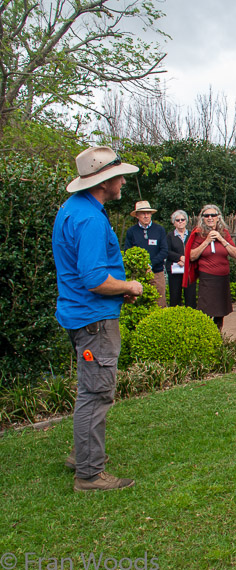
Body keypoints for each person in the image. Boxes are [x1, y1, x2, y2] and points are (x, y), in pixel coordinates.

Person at [53, 145, 143, 492]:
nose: (123, 181)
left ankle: (84, 455)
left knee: (89, 390)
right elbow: (95, 279)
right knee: (96, 393)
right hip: (94, 320)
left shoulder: (73, 209)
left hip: (80, 315)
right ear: (104, 181)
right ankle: (89, 474)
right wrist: (129, 285)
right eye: (120, 176)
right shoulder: (90, 219)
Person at [183, 204, 236, 329]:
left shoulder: (224, 233)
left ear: (218, 217)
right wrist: (206, 241)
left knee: (220, 312)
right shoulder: (198, 234)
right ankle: (207, 337)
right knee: (206, 312)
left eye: (213, 215)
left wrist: (221, 239)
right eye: (206, 215)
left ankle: (218, 338)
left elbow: (235, 254)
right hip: (207, 278)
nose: (210, 218)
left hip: (222, 278)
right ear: (202, 218)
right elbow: (191, 256)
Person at [124, 200, 168, 307]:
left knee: (159, 302)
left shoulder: (159, 230)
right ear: (137, 215)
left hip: (157, 273)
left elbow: (164, 251)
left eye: (148, 213)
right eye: (143, 213)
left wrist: (150, 265)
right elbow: (128, 252)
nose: (146, 216)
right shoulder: (131, 231)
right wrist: (142, 267)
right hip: (139, 274)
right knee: (138, 303)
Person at [165, 209, 196, 308]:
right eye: (177, 220)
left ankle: (191, 318)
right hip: (175, 270)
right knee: (175, 296)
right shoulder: (169, 236)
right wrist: (179, 258)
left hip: (189, 269)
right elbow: (167, 251)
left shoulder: (192, 235)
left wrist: (187, 259)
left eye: (182, 219)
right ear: (174, 223)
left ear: (186, 221)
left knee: (190, 296)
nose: (180, 222)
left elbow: (196, 249)